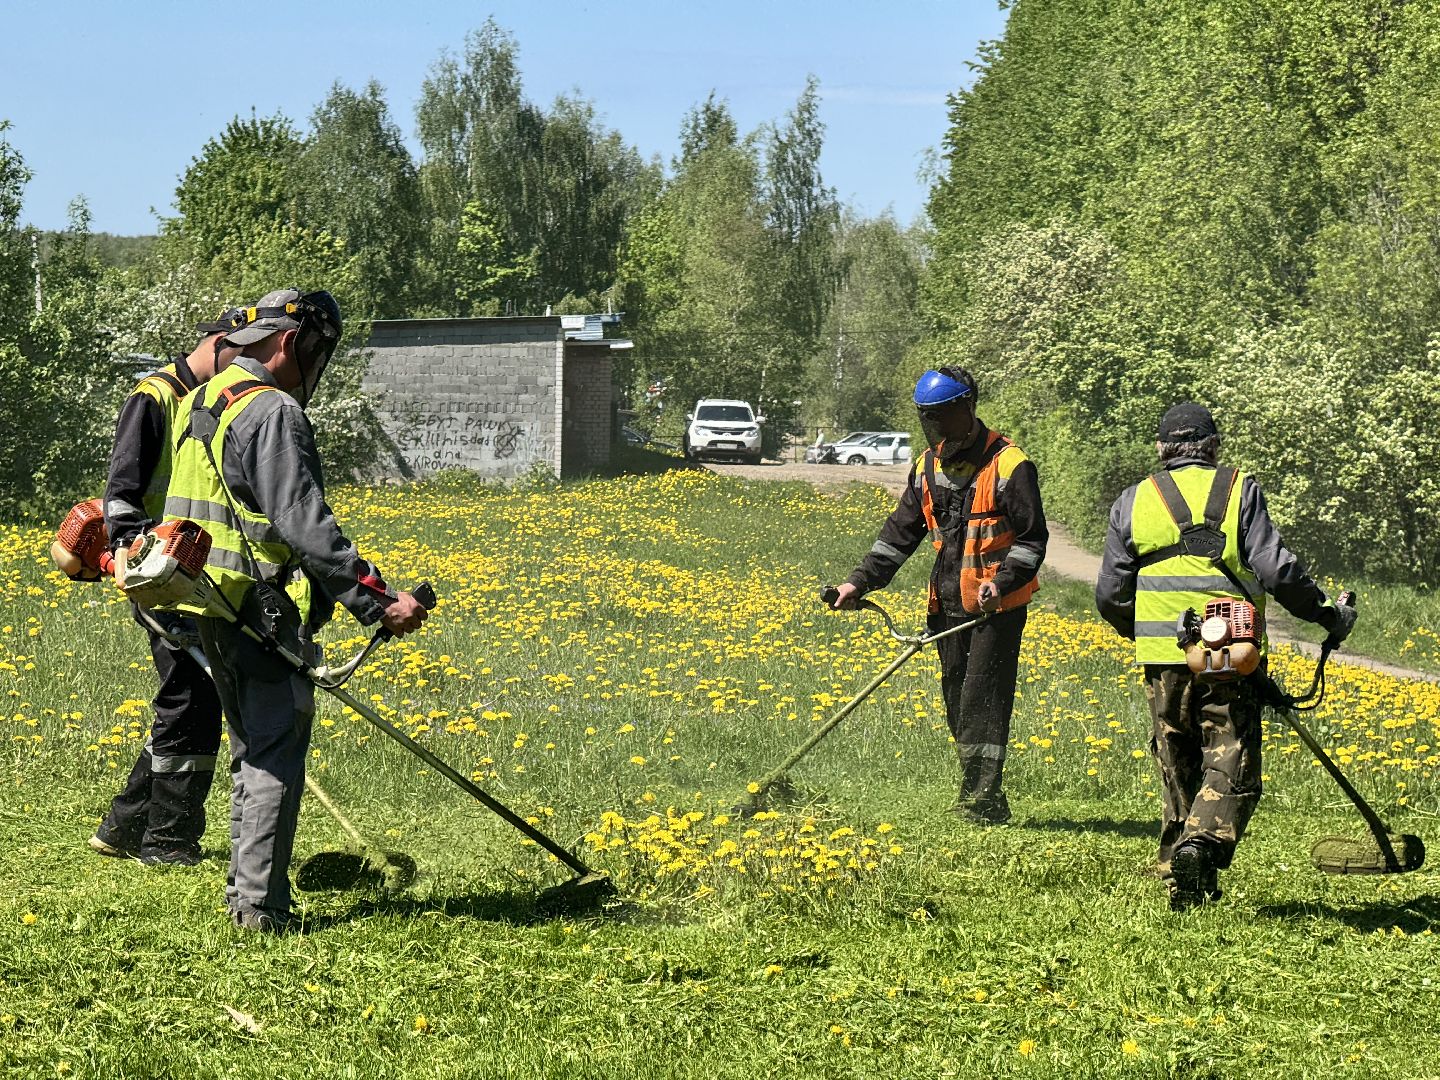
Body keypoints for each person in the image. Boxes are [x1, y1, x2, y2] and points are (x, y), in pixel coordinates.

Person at [163, 288, 428, 933]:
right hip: (262, 609)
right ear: (289, 346)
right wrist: (376, 601)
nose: (316, 371)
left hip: (211, 604)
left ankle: (245, 893)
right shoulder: (273, 412)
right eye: (316, 355)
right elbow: (306, 525)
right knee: (273, 752)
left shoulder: (203, 401)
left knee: (253, 748)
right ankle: (259, 911)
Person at [1095, 402, 1356, 911]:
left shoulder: (1134, 499)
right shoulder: (1241, 491)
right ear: (1213, 446)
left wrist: (1145, 632)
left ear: (1160, 449)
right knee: (1231, 756)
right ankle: (1202, 847)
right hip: (1231, 651)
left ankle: (1182, 878)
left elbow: (1109, 595)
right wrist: (1327, 616)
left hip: (1163, 657)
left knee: (1178, 760)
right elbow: (1278, 572)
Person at [830, 367, 1047, 824]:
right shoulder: (927, 466)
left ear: (968, 407)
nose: (936, 428)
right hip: (946, 605)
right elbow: (898, 536)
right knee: (955, 696)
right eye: (928, 419)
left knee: (982, 698)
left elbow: (1032, 541)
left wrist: (1001, 582)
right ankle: (982, 791)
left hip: (995, 608)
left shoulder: (1010, 465)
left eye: (943, 417)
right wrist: (858, 582)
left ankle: (981, 801)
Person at [90, 311, 244, 865]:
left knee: (192, 695)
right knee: (190, 699)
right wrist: (143, 560)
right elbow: (122, 492)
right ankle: (168, 840)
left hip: (201, 576)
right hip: (158, 576)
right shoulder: (156, 396)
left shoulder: (221, 397)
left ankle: (123, 827)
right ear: (221, 344)